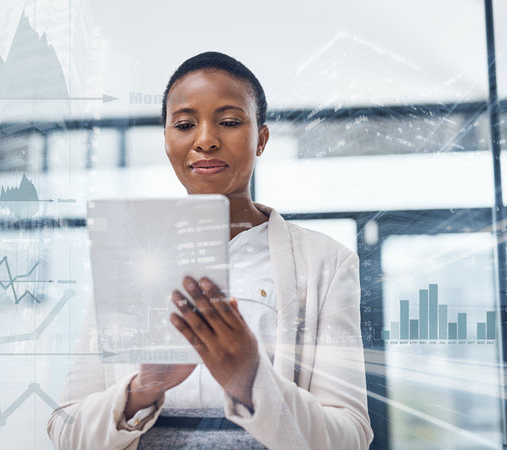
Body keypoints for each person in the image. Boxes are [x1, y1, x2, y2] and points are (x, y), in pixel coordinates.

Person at [47, 51, 373, 449]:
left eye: (230, 122)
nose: (205, 140)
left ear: (261, 138)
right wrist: (140, 390)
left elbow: (351, 438)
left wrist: (250, 380)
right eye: (185, 124)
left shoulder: (325, 262)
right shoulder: (128, 261)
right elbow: (66, 432)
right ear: (167, 139)